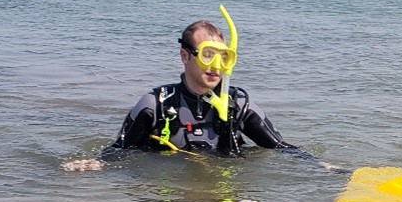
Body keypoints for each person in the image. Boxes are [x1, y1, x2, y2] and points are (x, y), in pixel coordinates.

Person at [109, 17, 297, 157]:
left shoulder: (239, 105)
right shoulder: (155, 104)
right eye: (207, 55)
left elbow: (282, 148)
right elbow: (117, 152)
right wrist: (93, 164)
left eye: (223, 57)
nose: (216, 66)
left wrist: (320, 165)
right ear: (185, 56)